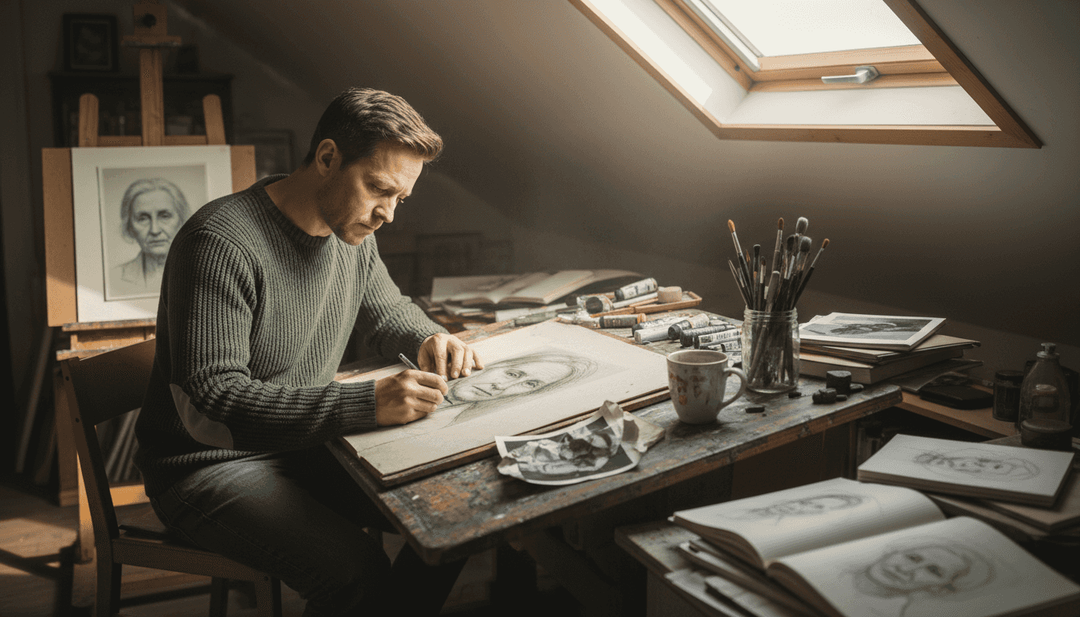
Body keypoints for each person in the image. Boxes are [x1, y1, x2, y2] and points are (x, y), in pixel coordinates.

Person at [134, 87, 483, 616]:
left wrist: (428, 337)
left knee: (458, 514)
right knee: (356, 573)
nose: (387, 214)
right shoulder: (219, 241)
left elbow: (388, 312)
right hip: (206, 466)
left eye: (400, 199)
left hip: (303, 444)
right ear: (327, 158)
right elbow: (214, 397)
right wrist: (363, 404)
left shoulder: (354, 231)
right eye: (378, 189)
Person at [109, 177, 190, 298]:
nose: (155, 230)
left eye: (165, 216)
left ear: (181, 220)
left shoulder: (203, 272)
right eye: (143, 219)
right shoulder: (114, 278)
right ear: (130, 226)